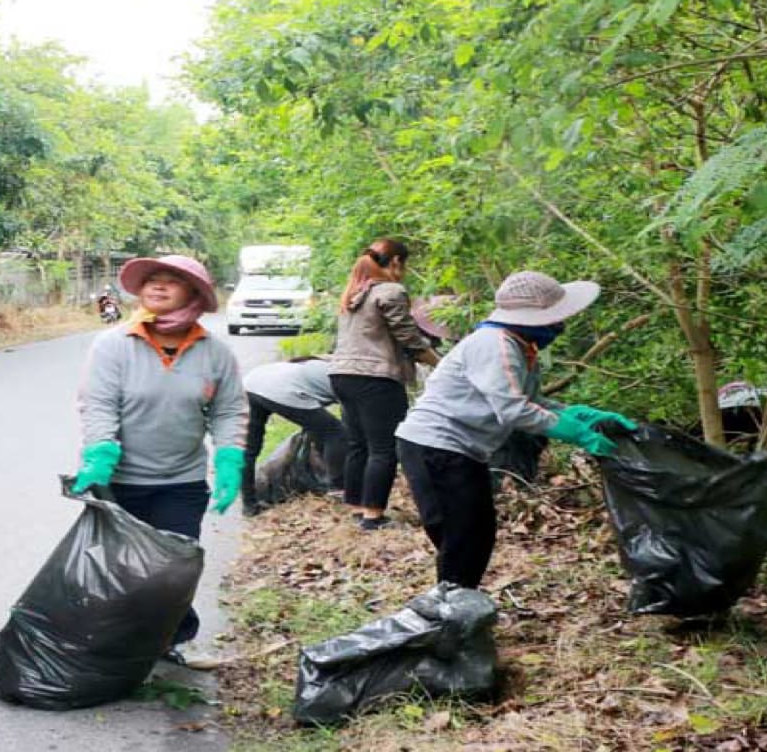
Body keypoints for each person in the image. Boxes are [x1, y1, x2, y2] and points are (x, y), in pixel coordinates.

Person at [394, 270, 637, 589]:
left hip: (458, 449)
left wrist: (578, 415)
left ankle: (458, 600)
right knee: (462, 536)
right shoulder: (495, 345)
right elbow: (513, 410)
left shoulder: (519, 346)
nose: (560, 325)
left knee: (476, 532)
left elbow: (530, 401)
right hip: (436, 446)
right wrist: (577, 434)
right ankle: (452, 605)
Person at [71, 254, 245, 660]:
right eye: (152, 280)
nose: (158, 286)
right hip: (120, 482)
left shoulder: (214, 353)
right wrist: (99, 453)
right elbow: (98, 404)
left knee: (172, 569)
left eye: (172, 280)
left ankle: (171, 641)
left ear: (194, 294)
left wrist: (229, 459)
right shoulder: (114, 345)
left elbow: (229, 410)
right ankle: (117, 644)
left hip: (181, 482)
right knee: (120, 569)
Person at [327, 238, 441, 529]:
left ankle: (358, 507)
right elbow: (408, 338)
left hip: (341, 374)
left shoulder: (354, 291)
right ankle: (373, 517)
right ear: (396, 262)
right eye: (405, 265)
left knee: (359, 444)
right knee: (384, 448)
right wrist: (441, 364)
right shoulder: (391, 291)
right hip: (375, 377)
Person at [239, 357, 347, 514]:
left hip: (250, 384)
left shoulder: (317, 367)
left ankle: (249, 504)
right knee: (336, 433)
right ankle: (338, 488)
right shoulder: (348, 378)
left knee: (249, 450)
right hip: (281, 390)